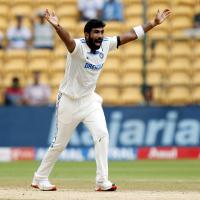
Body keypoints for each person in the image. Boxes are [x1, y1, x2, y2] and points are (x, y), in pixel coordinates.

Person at [31, 8, 171, 191]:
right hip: (69, 100)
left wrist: (152, 24)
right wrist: (57, 27)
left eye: (102, 32)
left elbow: (129, 35)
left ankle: (102, 181)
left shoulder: (105, 44)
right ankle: (39, 178)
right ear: (87, 34)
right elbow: (68, 41)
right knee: (59, 144)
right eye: (96, 32)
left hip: (89, 100)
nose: (100, 36)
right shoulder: (79, 47)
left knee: (102, 135)